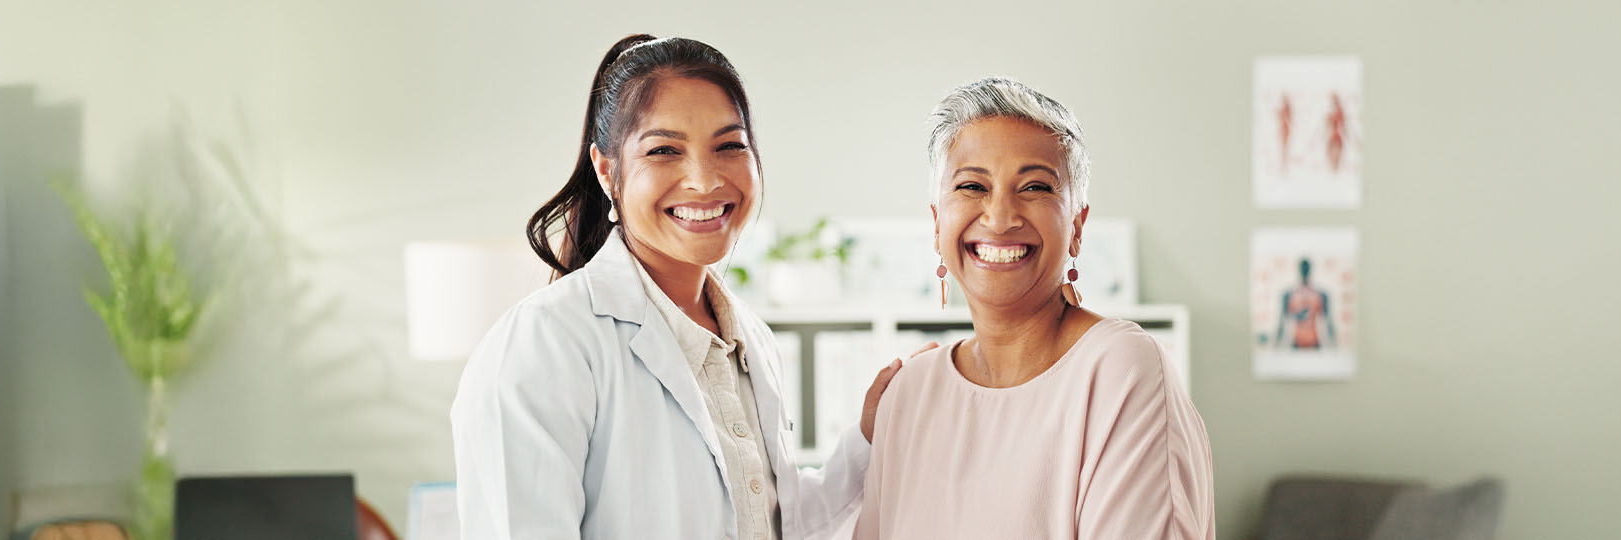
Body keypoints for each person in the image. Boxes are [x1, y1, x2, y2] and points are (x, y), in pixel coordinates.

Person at [450, 34, 922, 540]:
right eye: (664, 150)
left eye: (729, 146)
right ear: (607, 171)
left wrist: (869, 436)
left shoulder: (750, 340)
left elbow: (768, 521)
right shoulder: (544, 343)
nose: (704, 180)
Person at [854, 78, 1215, 540]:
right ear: (937, 221)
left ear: (1077, 226)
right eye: (971, 186)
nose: (1000, 217)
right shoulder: (908, 394)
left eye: (1035, 187)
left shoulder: (1122, 370)